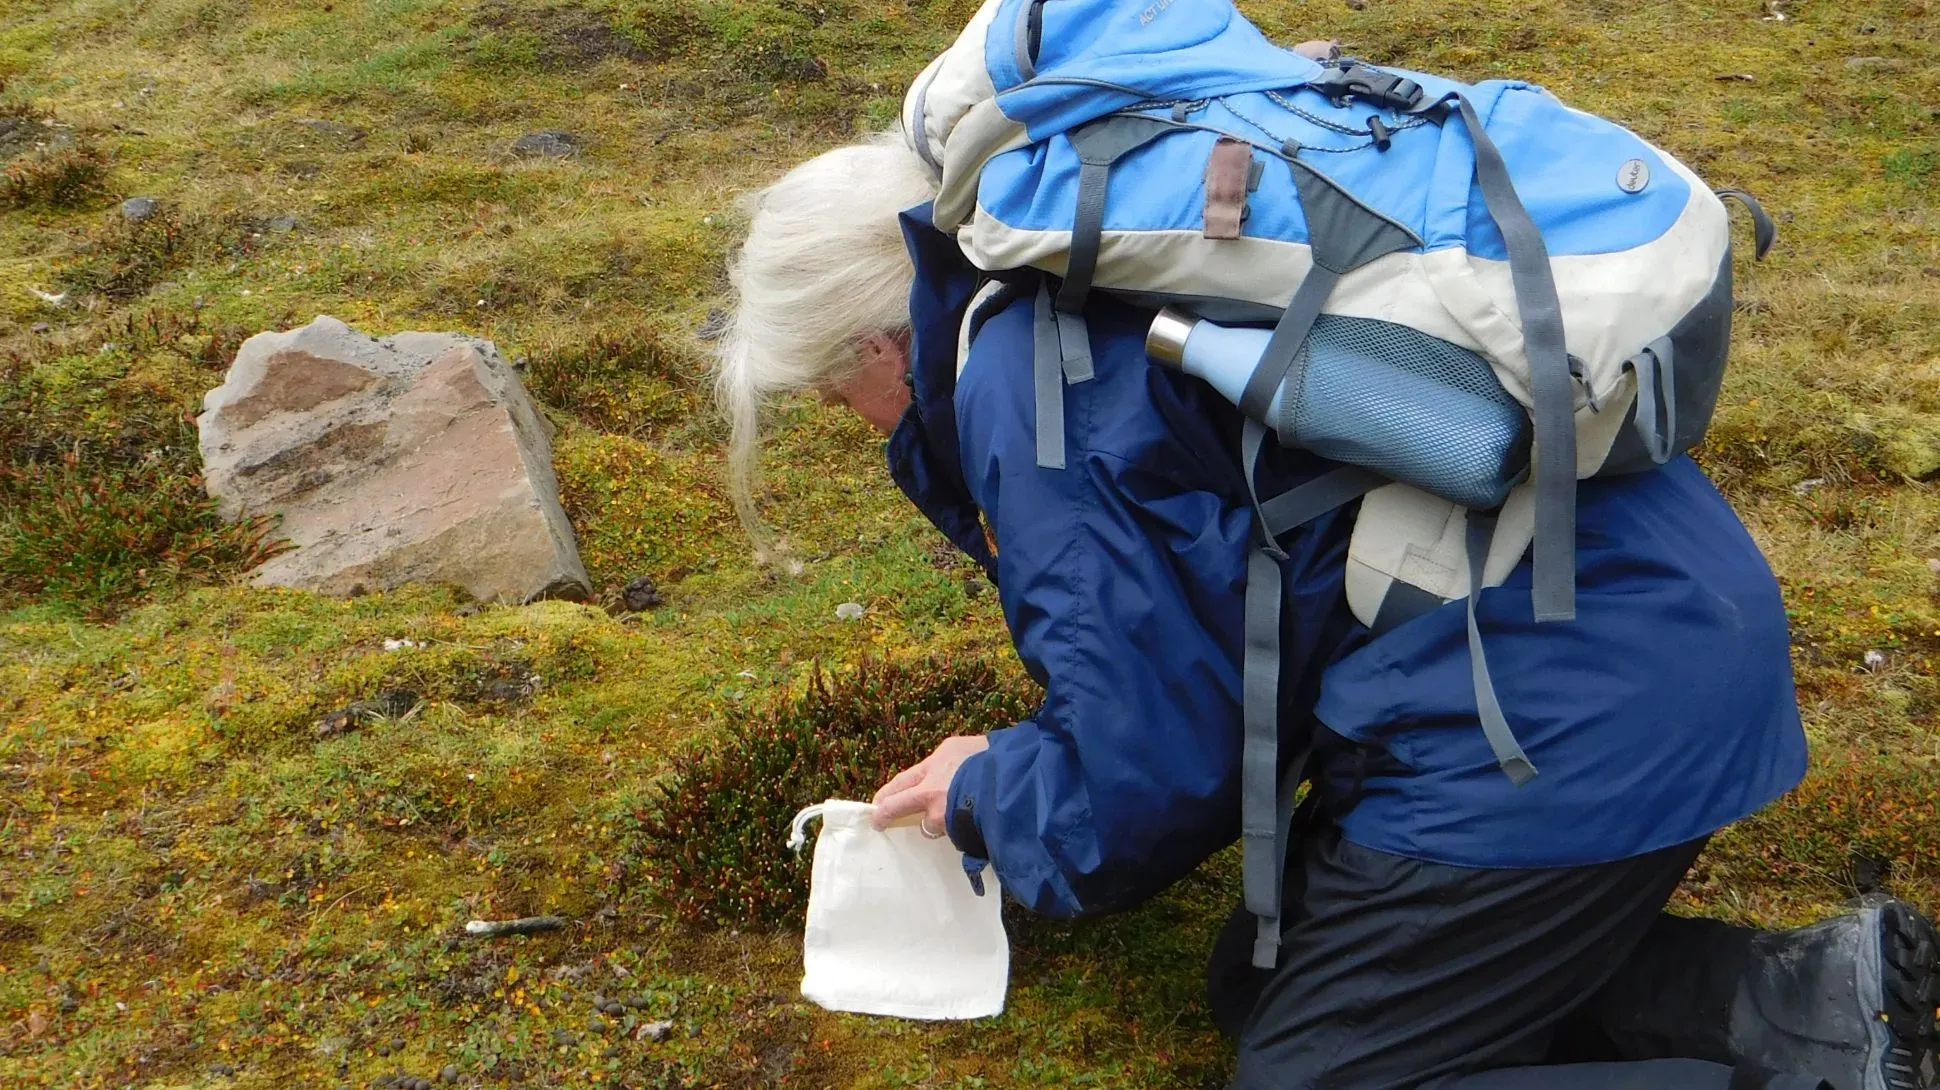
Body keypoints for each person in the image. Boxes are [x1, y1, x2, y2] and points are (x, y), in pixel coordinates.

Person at [712, 130, 1940, 1090]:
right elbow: (1204, 634)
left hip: (1568, 716)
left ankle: (1825, 1068)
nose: (860, 429)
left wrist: (992, 791)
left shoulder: (1025, 402)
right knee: (1272, 983)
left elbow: (1149, 779)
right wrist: (1030, 746)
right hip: (1640, 619)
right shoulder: (1096, 276)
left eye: (834, 398)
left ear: (879, 345)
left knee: (1312, 1075)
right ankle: (1814, 997)